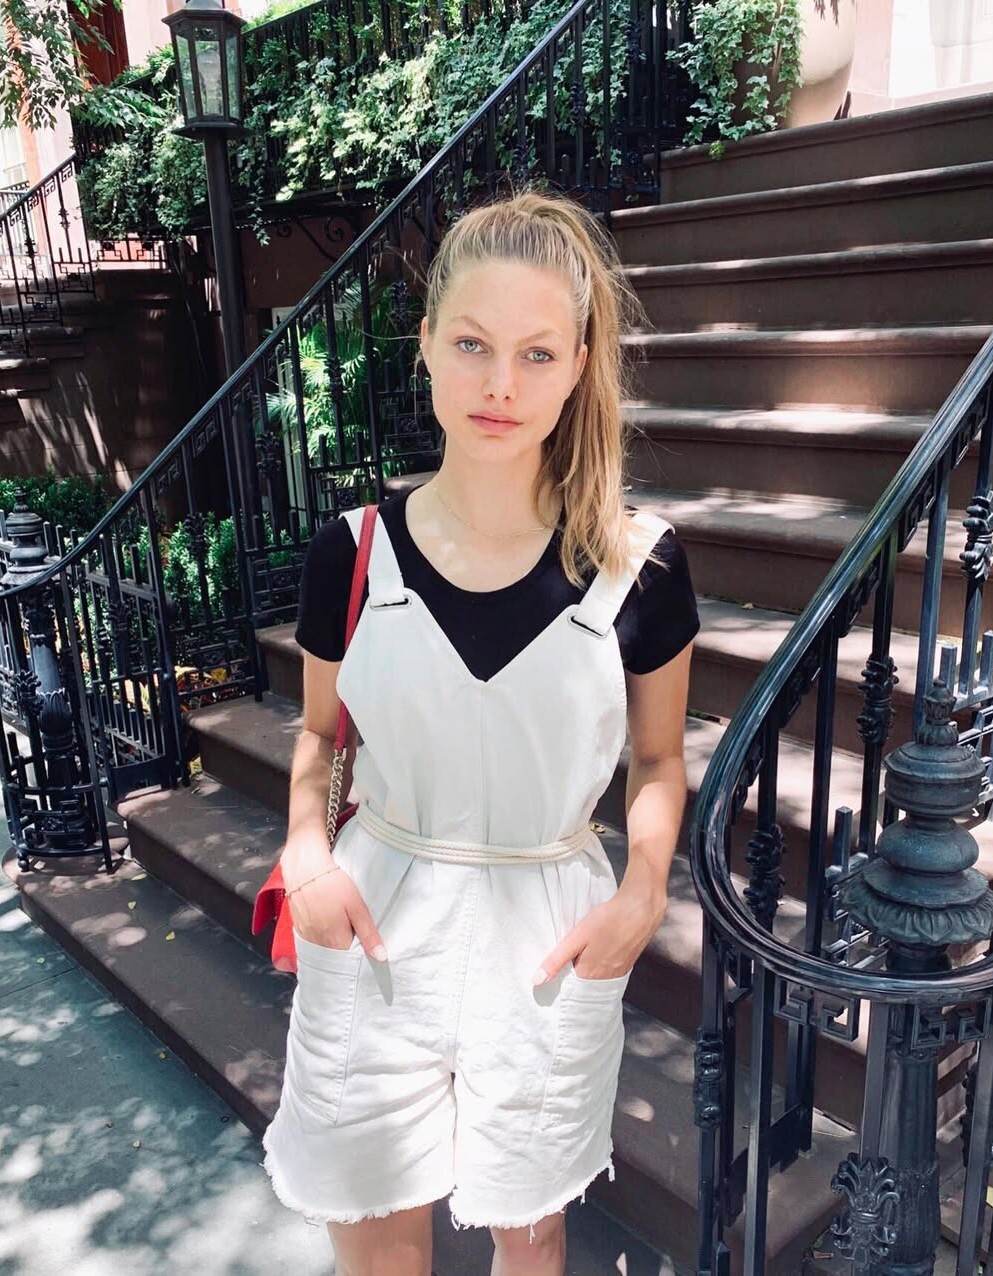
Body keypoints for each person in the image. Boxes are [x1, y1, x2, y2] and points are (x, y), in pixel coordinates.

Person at [260, 187, 699, 1276]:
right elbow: (321, 736)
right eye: (472, 344)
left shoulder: (639, 563)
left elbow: (656, 759)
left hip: (545, 929)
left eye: (537, 354)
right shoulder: (352, 553)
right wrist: (306, 849)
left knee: (531, 1234)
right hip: (377, 918)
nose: (501, 384)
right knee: (374, 1235)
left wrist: (644, 892)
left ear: (579, 364)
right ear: (425, 344)